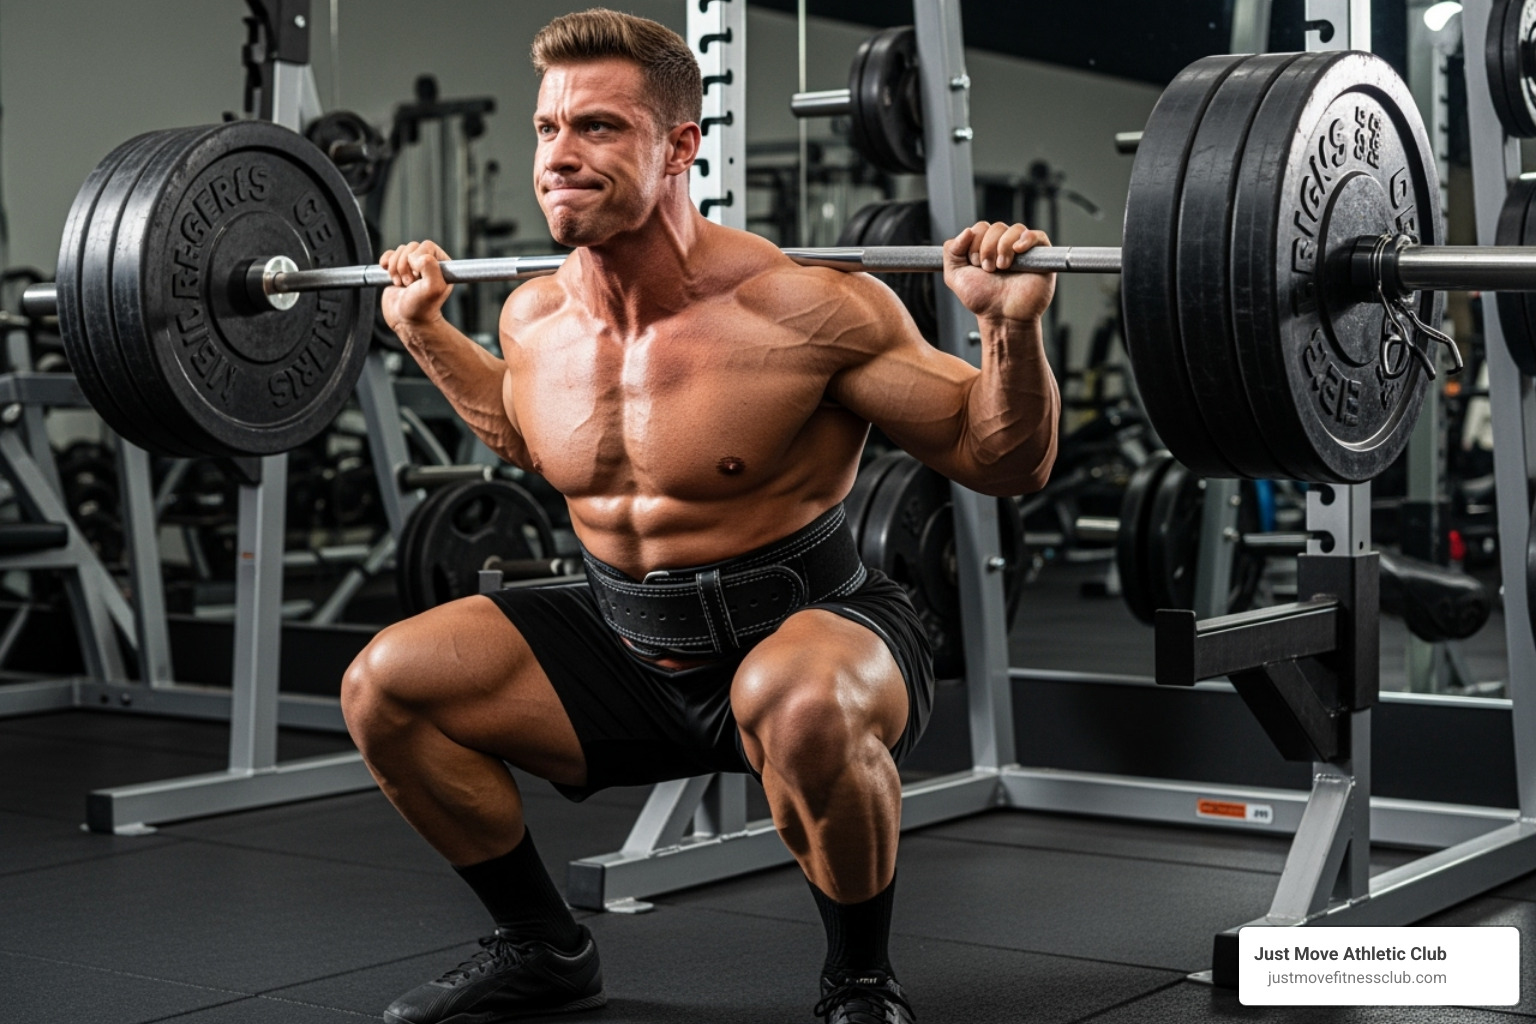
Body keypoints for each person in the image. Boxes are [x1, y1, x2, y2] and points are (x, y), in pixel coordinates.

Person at [341, 8, 1059, 1024]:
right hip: (626, 637)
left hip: (809, 624)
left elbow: (1003, 460)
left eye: (598, 128)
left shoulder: (807, 309)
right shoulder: (533, 316)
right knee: (385, 688)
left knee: (799, 702)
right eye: (549, 130)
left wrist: (1005, 330)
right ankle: (542, 945)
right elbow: (529, 433)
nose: (560, 156)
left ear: (681, 145)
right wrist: (423, 334)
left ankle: (858, 979)